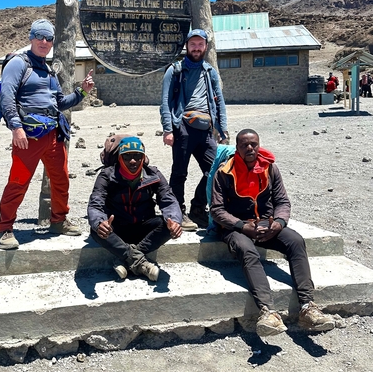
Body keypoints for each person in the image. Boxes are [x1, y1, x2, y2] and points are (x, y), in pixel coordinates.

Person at [210, 128, 336, 337]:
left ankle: (308, 306)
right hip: (236, 228)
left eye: (254, 144)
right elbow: (217, 210)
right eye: (244, 145)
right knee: (246, 249)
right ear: (237, 148)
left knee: (295, 240)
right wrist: (242, 226)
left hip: (267, 225)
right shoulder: (224, 172)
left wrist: (278, 222)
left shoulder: (270, 169)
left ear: (259, 145)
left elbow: (282, 201)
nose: (250, 148)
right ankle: (268, 311)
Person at [0, 19, 94, 250]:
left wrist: (82, 91)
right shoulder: (18, 64)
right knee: (18, 182)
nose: (44, 41)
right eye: (40, 36)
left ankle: (58, 221)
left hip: (53, 135)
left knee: (61, 180)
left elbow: (60, 102)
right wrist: (16, 128)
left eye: (49, 38)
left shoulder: (48, 70)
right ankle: (5, 227)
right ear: (31, 38)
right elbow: (7, 96)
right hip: (27, 137)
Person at [160, 28, 229, 232]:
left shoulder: (210, 72)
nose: (196, 48)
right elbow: (165, 101)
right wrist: (167, 129)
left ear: (206, 47)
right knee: (179, 173)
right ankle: (177, 211)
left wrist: (222, 128)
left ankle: (198, 208)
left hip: (206, 128)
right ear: (187, 46)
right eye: (193, 44)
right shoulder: (175, 70)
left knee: (216, 168)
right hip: (183, 126)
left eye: (200, 44)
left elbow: (220, 101)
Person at [88, 136, 182, 282]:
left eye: (137, 156)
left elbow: (168, 200)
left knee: (167, 225)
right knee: (96, 229)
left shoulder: (153, 174)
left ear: (143, 158)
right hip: (116, 230)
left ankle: (125, 258)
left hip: (143, 228)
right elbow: (95, 203)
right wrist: (100, 223)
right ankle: (141, 263)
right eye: (127, 157)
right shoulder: (107, 175)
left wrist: (175, 221)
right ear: (120, 158)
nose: (133, 161)